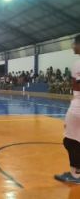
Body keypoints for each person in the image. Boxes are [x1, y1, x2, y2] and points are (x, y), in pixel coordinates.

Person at [55, 34, 80, 184]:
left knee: (70, 140)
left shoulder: (78, 63)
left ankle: (75, 175)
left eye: (74, 43)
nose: (72, 46)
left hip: (78, 105)